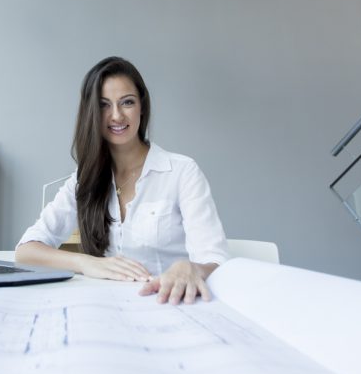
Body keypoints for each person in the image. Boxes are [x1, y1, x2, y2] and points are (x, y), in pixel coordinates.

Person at [15, 56, 230, 304]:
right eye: (104, 105)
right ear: (92, 113)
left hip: (171, 304)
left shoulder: (182, 172)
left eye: (127, 102)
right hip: (107, 307)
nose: (116, 116)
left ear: (142, 107)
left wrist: (190, 267)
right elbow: (26, 251)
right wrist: (86, 263)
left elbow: (216, 261)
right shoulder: (85, 179)